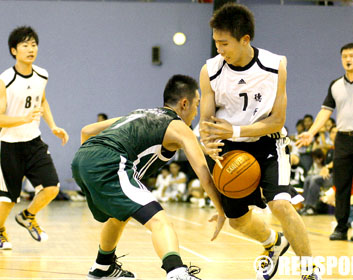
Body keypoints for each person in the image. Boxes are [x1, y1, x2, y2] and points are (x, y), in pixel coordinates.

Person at [199, 4, 320, 280]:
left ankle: (309, 269)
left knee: (281, 204)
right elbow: (207, 123)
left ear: (245, 40)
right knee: (237, 221)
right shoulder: (210, 71)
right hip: (228, 148)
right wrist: (209, 142)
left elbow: (277, 120)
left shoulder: (275, 66)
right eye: (216, 43)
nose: (219, 49)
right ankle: (272, 243)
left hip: (267, 142)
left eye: (224, 43)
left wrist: (236, 131)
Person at [71, 75, 225, 280]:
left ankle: (102, 267)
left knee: (118, 216)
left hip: (82, 158)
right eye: (196, 105)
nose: (196, 112)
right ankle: (177, 272)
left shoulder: (140, 113)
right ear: (184, 103)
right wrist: (221, 209)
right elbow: (203, 173)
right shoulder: (179, 127)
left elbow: (87, 130)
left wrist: (90, 163)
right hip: (110, 162)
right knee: (159, 220)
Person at [297, 43, 353, 241]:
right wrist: (311, 133)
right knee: (342, 184)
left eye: (352, 56)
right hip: (343, 140)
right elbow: (325, 112)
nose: (348, 59)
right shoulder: (335, 84)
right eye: (344, 56)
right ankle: (340, 227)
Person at [0, 26, 69, 250]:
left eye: (33, 44)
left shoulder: (42, 74)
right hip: (9, 145)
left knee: (52, 187)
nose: (31, 49)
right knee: (8, 199)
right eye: (25, 45)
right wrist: (23, 118)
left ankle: (28, 216)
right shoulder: (5, 80)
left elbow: (43, 101)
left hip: (34, 142)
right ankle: (0, 231)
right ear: (13, 50)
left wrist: (53, 126)